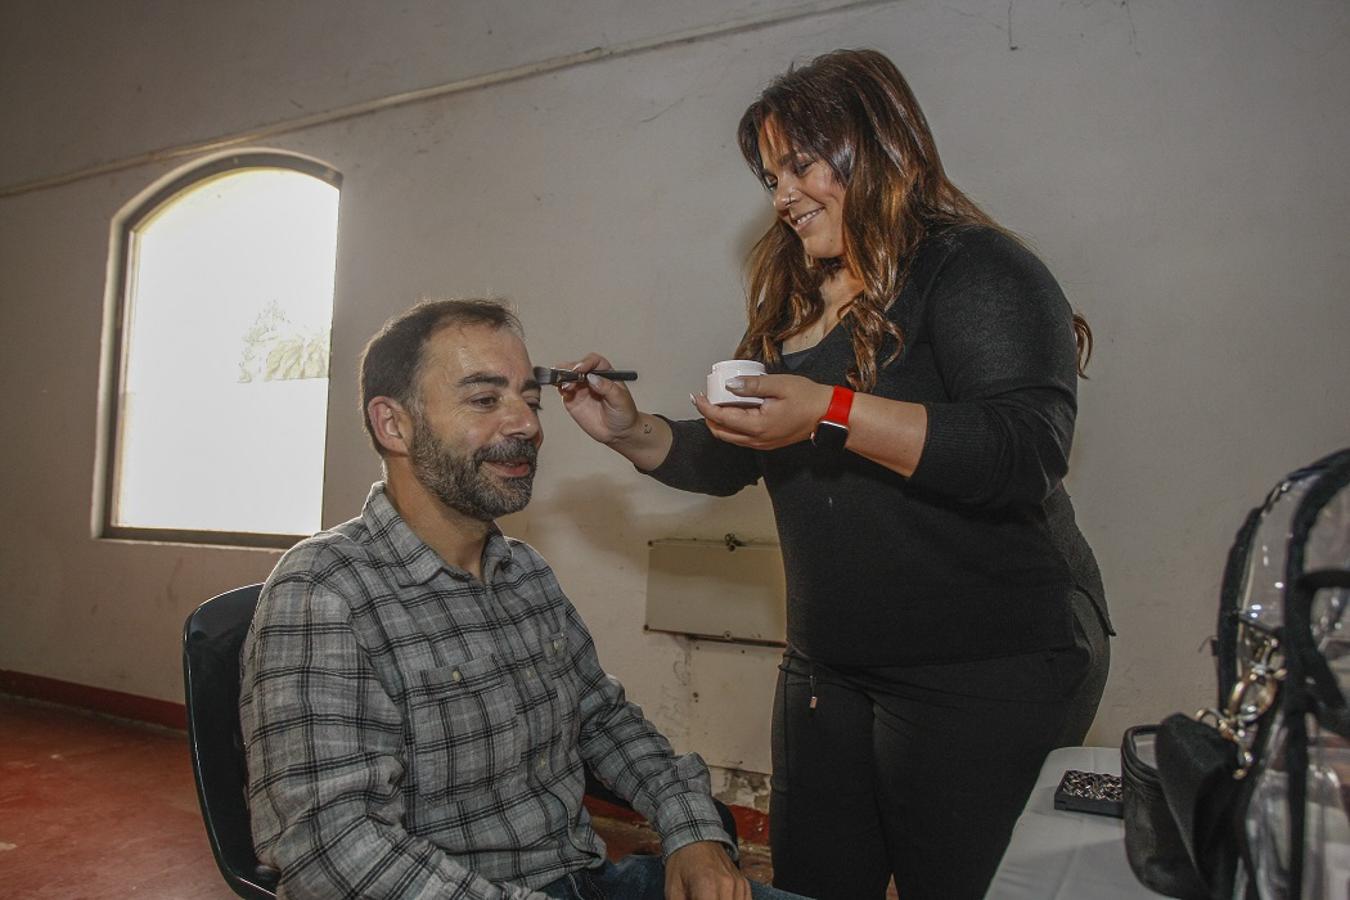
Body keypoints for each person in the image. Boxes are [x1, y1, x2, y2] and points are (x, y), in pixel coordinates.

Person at [554, 49, 1113, 900]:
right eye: (772, 174)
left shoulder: (976, 271)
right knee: (813, 882)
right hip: (830, 666)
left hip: (986, 659)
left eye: (801, 165)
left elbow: (1020, 450)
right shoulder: (791, 294)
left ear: (876, 149)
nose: (781, 196)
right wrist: (631, 432)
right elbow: (738, 451)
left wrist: (831, 410)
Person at [238, 299, 810, 900]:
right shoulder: (323, 591)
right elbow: (332, 851)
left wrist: (692, 832)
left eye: (530, 402)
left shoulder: (523, 572)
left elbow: (603, 719)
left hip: (586, 880)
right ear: (393, 425)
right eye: (485, 400)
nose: (528, 425)